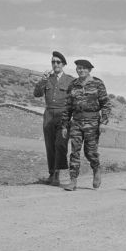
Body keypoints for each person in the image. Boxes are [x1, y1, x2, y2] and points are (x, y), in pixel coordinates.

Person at [61, 59, 111, 191]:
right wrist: (64, 125)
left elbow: (105, 104)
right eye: (78, 68)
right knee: (75, 151)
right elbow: (68, 107)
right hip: (76, 122)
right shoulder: (73, 85)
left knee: (90, 152)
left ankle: (96, 169)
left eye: (83, 68)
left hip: (93, 122)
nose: (80, 70)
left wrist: (104, 122)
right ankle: (73, 181)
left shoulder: (97, 83)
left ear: (89, 70)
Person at [33, 51, 75, 186]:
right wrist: (42, 80)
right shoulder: (47, 79)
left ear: (63, 64)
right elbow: (37, 94)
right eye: (53, 62)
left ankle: (57, 173)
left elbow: (75, 99)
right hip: (49, 114)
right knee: (50, 145)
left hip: (63, 114)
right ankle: (52, 174)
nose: (55, 64)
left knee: (60, 144)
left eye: (58, 62)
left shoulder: (70, 80)